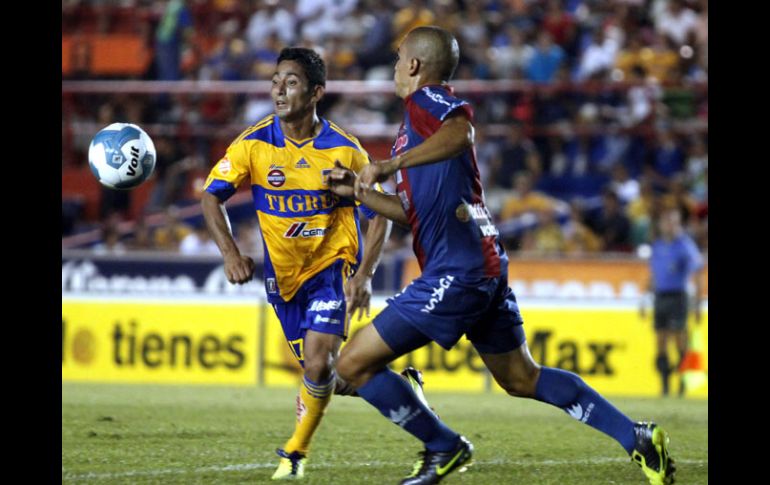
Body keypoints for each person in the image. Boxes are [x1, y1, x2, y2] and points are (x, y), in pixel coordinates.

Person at [327, 26, 676, 485]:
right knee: (520, 377)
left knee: (350, 364)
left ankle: (443, 445)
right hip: (482, 265)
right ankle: (636, 438)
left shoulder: (426, 102)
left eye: (397, 60)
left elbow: (463, 131)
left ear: (413, 65)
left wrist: (390, 165)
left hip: (457, 272)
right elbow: (413, 215)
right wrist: (359, 192)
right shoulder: (412, 131)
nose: (394, 68)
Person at [201, 47, 429, 480]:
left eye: (291, 82)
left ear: (316, 92)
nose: (279, 91)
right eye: (275, 81)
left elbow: (379, 210)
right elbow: (211, 195)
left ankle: (294, 455)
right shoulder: (254, 144)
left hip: (331, 268)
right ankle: (407, 391)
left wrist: (364, 274)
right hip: (283, 281)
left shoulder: (344, 151)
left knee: (319, 363)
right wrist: (230, 252)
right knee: (332, 376)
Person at [640, 209, 704, 397]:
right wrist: (644, 299)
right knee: (660, 342)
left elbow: (698, 272)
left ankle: (682, 385)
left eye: (672, 222)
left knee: (680, 341)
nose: (669, 226)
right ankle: (665, 386)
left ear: (678, 224)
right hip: (660, 297)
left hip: (679, 297)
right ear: (661, 224)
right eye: (666, 222)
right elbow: (654, 275)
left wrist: (698, 303)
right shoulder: (658, 245)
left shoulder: (685, 245)